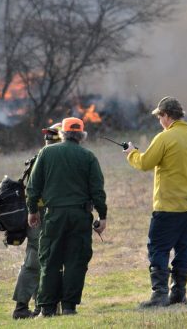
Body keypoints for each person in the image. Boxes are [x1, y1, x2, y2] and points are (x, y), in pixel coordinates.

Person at [123, 96, 187, 308]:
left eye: (159, 116)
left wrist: (132, 153)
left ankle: (159, 296)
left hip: (168, 208)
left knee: (158, 249)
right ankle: (178, 294)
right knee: (183, 249)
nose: (159, 120)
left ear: (167, 116)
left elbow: (145, 163)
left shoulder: (164, 138)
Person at [26, 116, 107, 317]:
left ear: (62, 133)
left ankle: (47, 308)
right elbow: (97, 190)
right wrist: (102, 215)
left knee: (50, 259)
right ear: (82, 135)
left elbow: (33, 186)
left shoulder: (46, 152)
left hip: (54, 216)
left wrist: (32, 210)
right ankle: (69, 307)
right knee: (75, 260)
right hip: (80, 216)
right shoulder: (88, 156)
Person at [11, 122, 62, 320]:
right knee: (38, 262)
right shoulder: (51, 160)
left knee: (36, 261)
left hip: (36, 216)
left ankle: (34, 306)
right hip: (43, 216)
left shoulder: (39, 158)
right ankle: (26, 308)